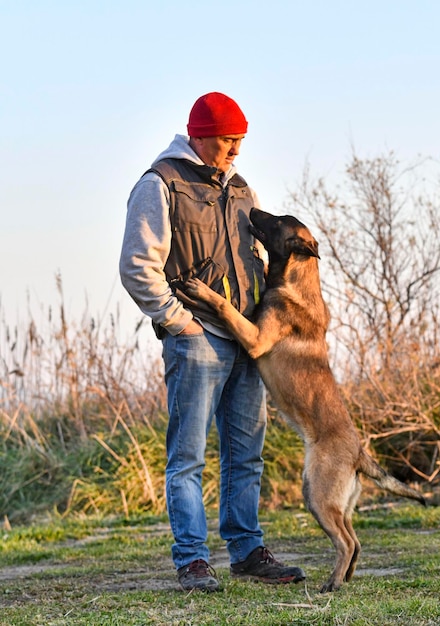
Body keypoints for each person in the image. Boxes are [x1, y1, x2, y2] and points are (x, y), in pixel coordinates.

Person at [119, 92, 306, 592]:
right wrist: (179, 322)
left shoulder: (243, 188)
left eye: (240, 141)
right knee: (188, 457)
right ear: (199, 135)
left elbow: (258, 253)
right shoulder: (160, 184)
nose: (236, 151)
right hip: (198, 338)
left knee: (246, 455)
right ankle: (193, 560)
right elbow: (137, 265)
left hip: (249, 340)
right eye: (228, 140)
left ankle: (247, 552)